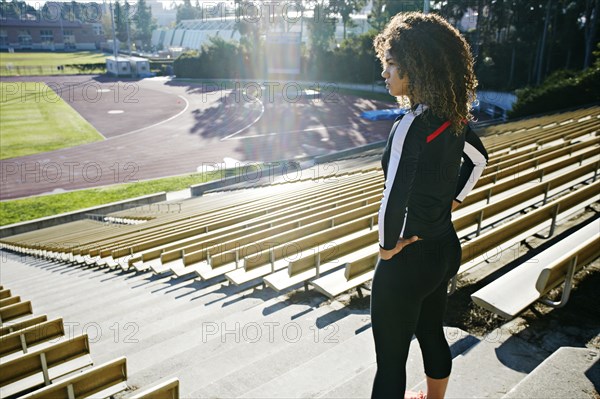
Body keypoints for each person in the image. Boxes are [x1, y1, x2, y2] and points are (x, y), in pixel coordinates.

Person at [370, 12, 489, 399]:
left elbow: (394, 193)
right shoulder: (452, 116)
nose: (385, 74)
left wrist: (387, 247)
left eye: (391, 65)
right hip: (443, 251)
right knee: (431, 332)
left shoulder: (411, 123)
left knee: (390, 364)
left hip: (407, 259)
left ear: (415, 69)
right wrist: (455, 198)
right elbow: (480, 160)